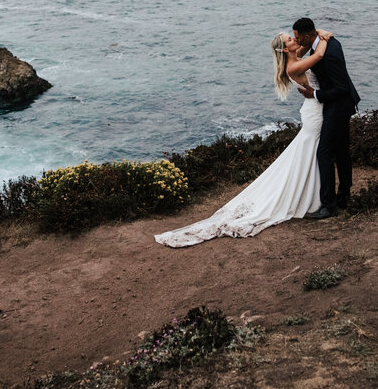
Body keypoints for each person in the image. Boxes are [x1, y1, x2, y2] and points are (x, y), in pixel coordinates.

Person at [154, 30, 335, 247]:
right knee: (311, 153)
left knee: (309, 153)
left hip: (314, 109)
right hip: (314, 113)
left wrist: (316, 33)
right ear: (285, 49)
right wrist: (325, 37)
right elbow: (319, 56)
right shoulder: (294, 66)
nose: (295, 40)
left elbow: (305, 47)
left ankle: (314, 193)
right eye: (290, 39)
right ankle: (314, 196)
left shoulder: (294, 58)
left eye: (293, 37)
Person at [293, 17, 360, 219]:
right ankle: (344, 195)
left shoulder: (328, 53)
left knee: (325, 153)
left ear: (307, 35)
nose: (296, 41)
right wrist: (323, 32)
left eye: (298, 37)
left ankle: (329, 205)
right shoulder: (326, 43)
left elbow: (340, 88)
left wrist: (314, 94)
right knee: (341, 151)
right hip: (338, 104)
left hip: (338, 106)